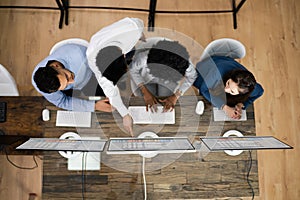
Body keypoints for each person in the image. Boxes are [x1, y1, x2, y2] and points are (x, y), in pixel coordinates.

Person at [86, 17, 145, 135]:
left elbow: (139, 23)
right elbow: (109, 89)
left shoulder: (134, 27)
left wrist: (139, 35)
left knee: (133, 51)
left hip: (131, 37)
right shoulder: (92, 58)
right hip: (118, 45)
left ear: (123, 57)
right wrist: (125, 114)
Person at [32, 43, 113, 113]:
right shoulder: (42, 84)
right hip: (70, 89)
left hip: (89, 77)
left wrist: (109, 88)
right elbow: (62, 101)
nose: (72, 81)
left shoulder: (80, 55)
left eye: (67, 77)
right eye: (65, 86)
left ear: (56, 66)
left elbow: (103, 67)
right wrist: (94, 106)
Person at [129, 37, 197, 112]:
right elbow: (133, 70)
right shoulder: (145, 57)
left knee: (164, 97)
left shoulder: (184, 63)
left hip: (167, 77)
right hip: (146, 77)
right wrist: (144, 91)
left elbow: (192, 77)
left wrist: (176, 96)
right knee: (142, 97)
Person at [193, 55, 264, 119]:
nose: (226, 89)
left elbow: (260, 92)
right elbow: (204, 89)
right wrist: (225, 108)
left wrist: (241, 104)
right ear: (231, 76)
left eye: (232, 91)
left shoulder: (252, 89)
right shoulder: (217, 71)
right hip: (208, 69)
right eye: (228, 83)